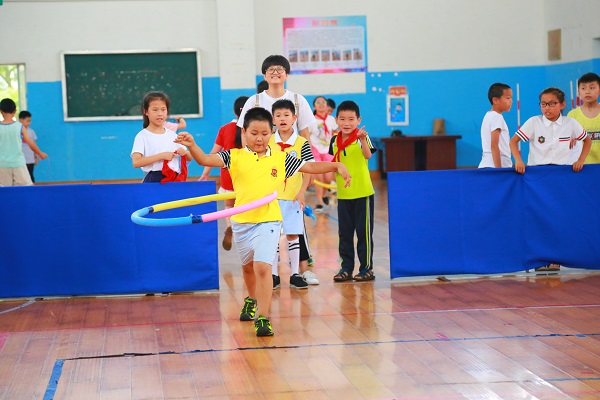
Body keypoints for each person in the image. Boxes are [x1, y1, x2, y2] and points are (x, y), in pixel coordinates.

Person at [174, 107, 351, 336]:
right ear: (244, 133)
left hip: (268, 219)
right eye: (254, 133)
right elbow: (205, 159)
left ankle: (264, 317)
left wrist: (336, 165)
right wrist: (192, 145)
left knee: (262, 266)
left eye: (265, 133)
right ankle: (252, 298)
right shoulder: (234, 156)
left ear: (271, 132)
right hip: (242, 221)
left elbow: (310, 166)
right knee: (248, 268)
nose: (259, 138)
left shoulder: (280, 157)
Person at [510, 87, 591, 272]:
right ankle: (538, 259)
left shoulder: (570, 124)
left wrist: (580, 160)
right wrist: (519, 160)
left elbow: (586, 140)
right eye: (543, 104)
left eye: (552, 104)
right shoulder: (533, 122)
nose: (547, 108)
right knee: (538, 219)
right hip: (537, 178)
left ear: (562, 105)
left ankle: (555, 258)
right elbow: (513, 141)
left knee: (558, 218)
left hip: (561, 178)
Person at [269, 99, 318, 289]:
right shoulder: (269, 141)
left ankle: (295, 273)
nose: (282, 119)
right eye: (278, 115)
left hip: (292, 198)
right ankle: (273, 275)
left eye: (286, 115)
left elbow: (308, 169)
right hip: (271, 197)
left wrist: (302, 192)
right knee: (272, 235)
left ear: (294, 118)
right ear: (273, 119)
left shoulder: (302, 143)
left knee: (293, 235)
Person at [330, 100, 377, 282]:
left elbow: (368, 155)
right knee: (345, 234)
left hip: (363, 193)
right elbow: (332, 163)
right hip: (343, 194)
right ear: (336, 120)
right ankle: (346, 268)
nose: (346, 123)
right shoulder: (334, 140)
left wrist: (363, 139)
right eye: (342, 119)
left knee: (363, 233)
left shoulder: (362, 138)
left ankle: (366, 269)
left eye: (351, 119)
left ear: (359, 120)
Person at [199, 95, 249, 251]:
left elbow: (213, 154)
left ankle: (230, 227)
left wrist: (205, 173)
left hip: (227, 175)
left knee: (229, 205)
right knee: (248, 205)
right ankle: (245, 234)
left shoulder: (224, 129)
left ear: (234, 111)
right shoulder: (253, 129)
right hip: (247, 176)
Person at [237, 55, 316, 141]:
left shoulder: (298, 100)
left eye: (280, 69)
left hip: (292, 153)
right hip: (262, 153)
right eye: (271, 70)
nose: (275, 72)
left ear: (286, 75)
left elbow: (304, 134)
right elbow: (245, 134)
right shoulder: (253, 101)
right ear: (265, 76)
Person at [131, 91, 191, 183]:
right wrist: (161, 156)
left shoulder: (172, 135)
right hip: (153, 180)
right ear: (145, 111)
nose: (160, 114)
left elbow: (189, 158)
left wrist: (185, 152)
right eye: (155, 110)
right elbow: (136, 162)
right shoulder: (142, 136)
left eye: (163, 109)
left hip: (173, 179)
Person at [0, 98, 47, 186]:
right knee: (26, 188)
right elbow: (31, 143)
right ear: (15, 111)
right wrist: (40, 153)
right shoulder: (20, 127)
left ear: (1, 111)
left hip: (2, 164)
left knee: (4, 191)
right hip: (18, 163)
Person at [309, 96, 338, 212]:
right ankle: (320, 202)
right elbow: (306, 134)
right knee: (319, 178)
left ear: (327, 106)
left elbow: (336, 131)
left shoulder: (331, 119)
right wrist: (309, 148)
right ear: (314, 106)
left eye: (323, 102)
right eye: (318, 102)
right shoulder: (311, 120)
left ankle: (324, 195)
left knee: (327, 179)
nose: (321, 104)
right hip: (315, 150)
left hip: (328, 151)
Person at [567, 72, 600, 164]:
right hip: (580, 166)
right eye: (583, 88)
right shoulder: (572, 115)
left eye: (592, 88)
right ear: (579, 92)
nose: (587, 91)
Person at [478, 83, 513, 168]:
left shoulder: (488, 116)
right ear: (495, 100)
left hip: (487, 163)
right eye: (508, 98)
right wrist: (498, 170)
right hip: (495, 165)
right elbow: (494, 145)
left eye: (511, 98)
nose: (511, 101)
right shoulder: (497, 117)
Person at [18, 110, 40, 182]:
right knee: (21, 176)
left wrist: (36, 156)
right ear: (21, 120)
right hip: (20, 159)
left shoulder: (31, 132)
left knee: (30, 175)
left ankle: (32, 189)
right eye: (27, 121)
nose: (29, 123)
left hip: (30, 159)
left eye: (30, 121)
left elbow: (34, 144)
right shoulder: (16, 131)